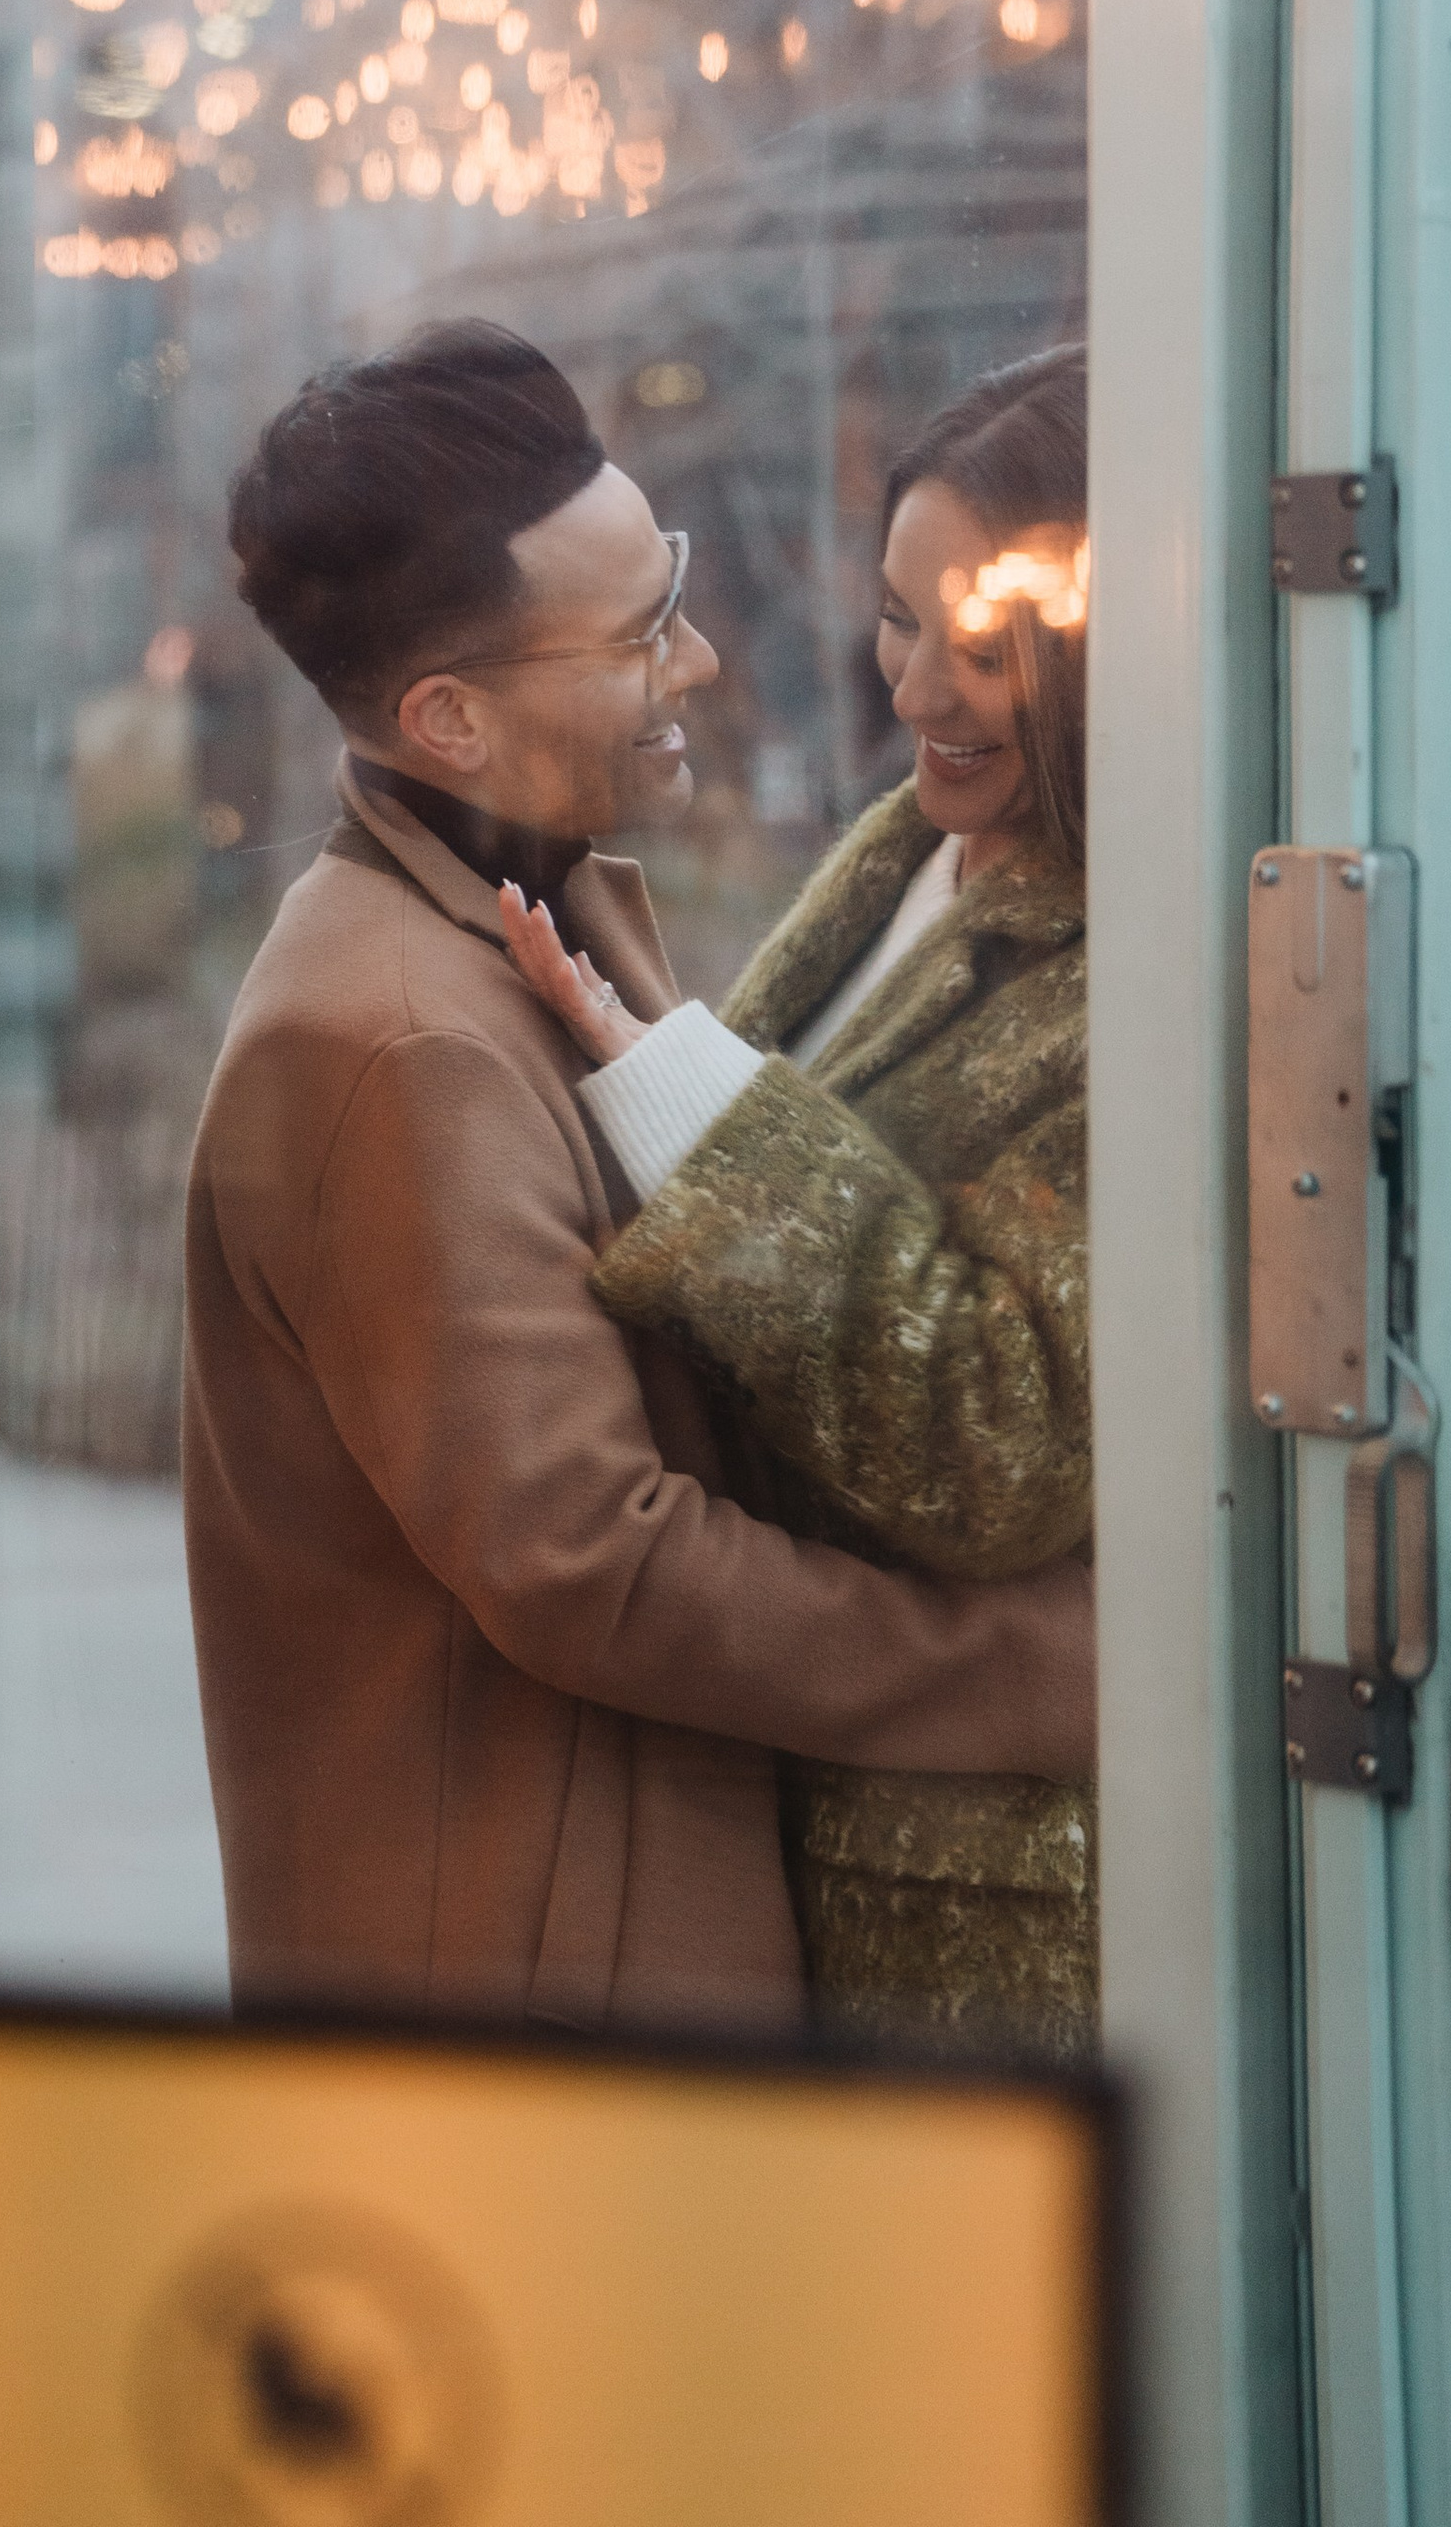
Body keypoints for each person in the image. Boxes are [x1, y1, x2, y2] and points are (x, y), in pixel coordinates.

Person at [181, 318, 1096, 2036]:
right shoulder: (401, 1043)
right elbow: (600, 1564)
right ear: (449, 717)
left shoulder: (531, 926)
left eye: (668, 588)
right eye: (638, 634)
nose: (699, 665)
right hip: (543, 1961)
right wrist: (1049, 1672)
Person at [499, 344, 1095, 2058]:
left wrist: (694, 1102)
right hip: (802, 1829)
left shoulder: (1161, 954)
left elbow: (1004, 1433)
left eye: (982, 645)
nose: (913, 689)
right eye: (899, 620)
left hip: (982, 1906)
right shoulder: (915, 841)